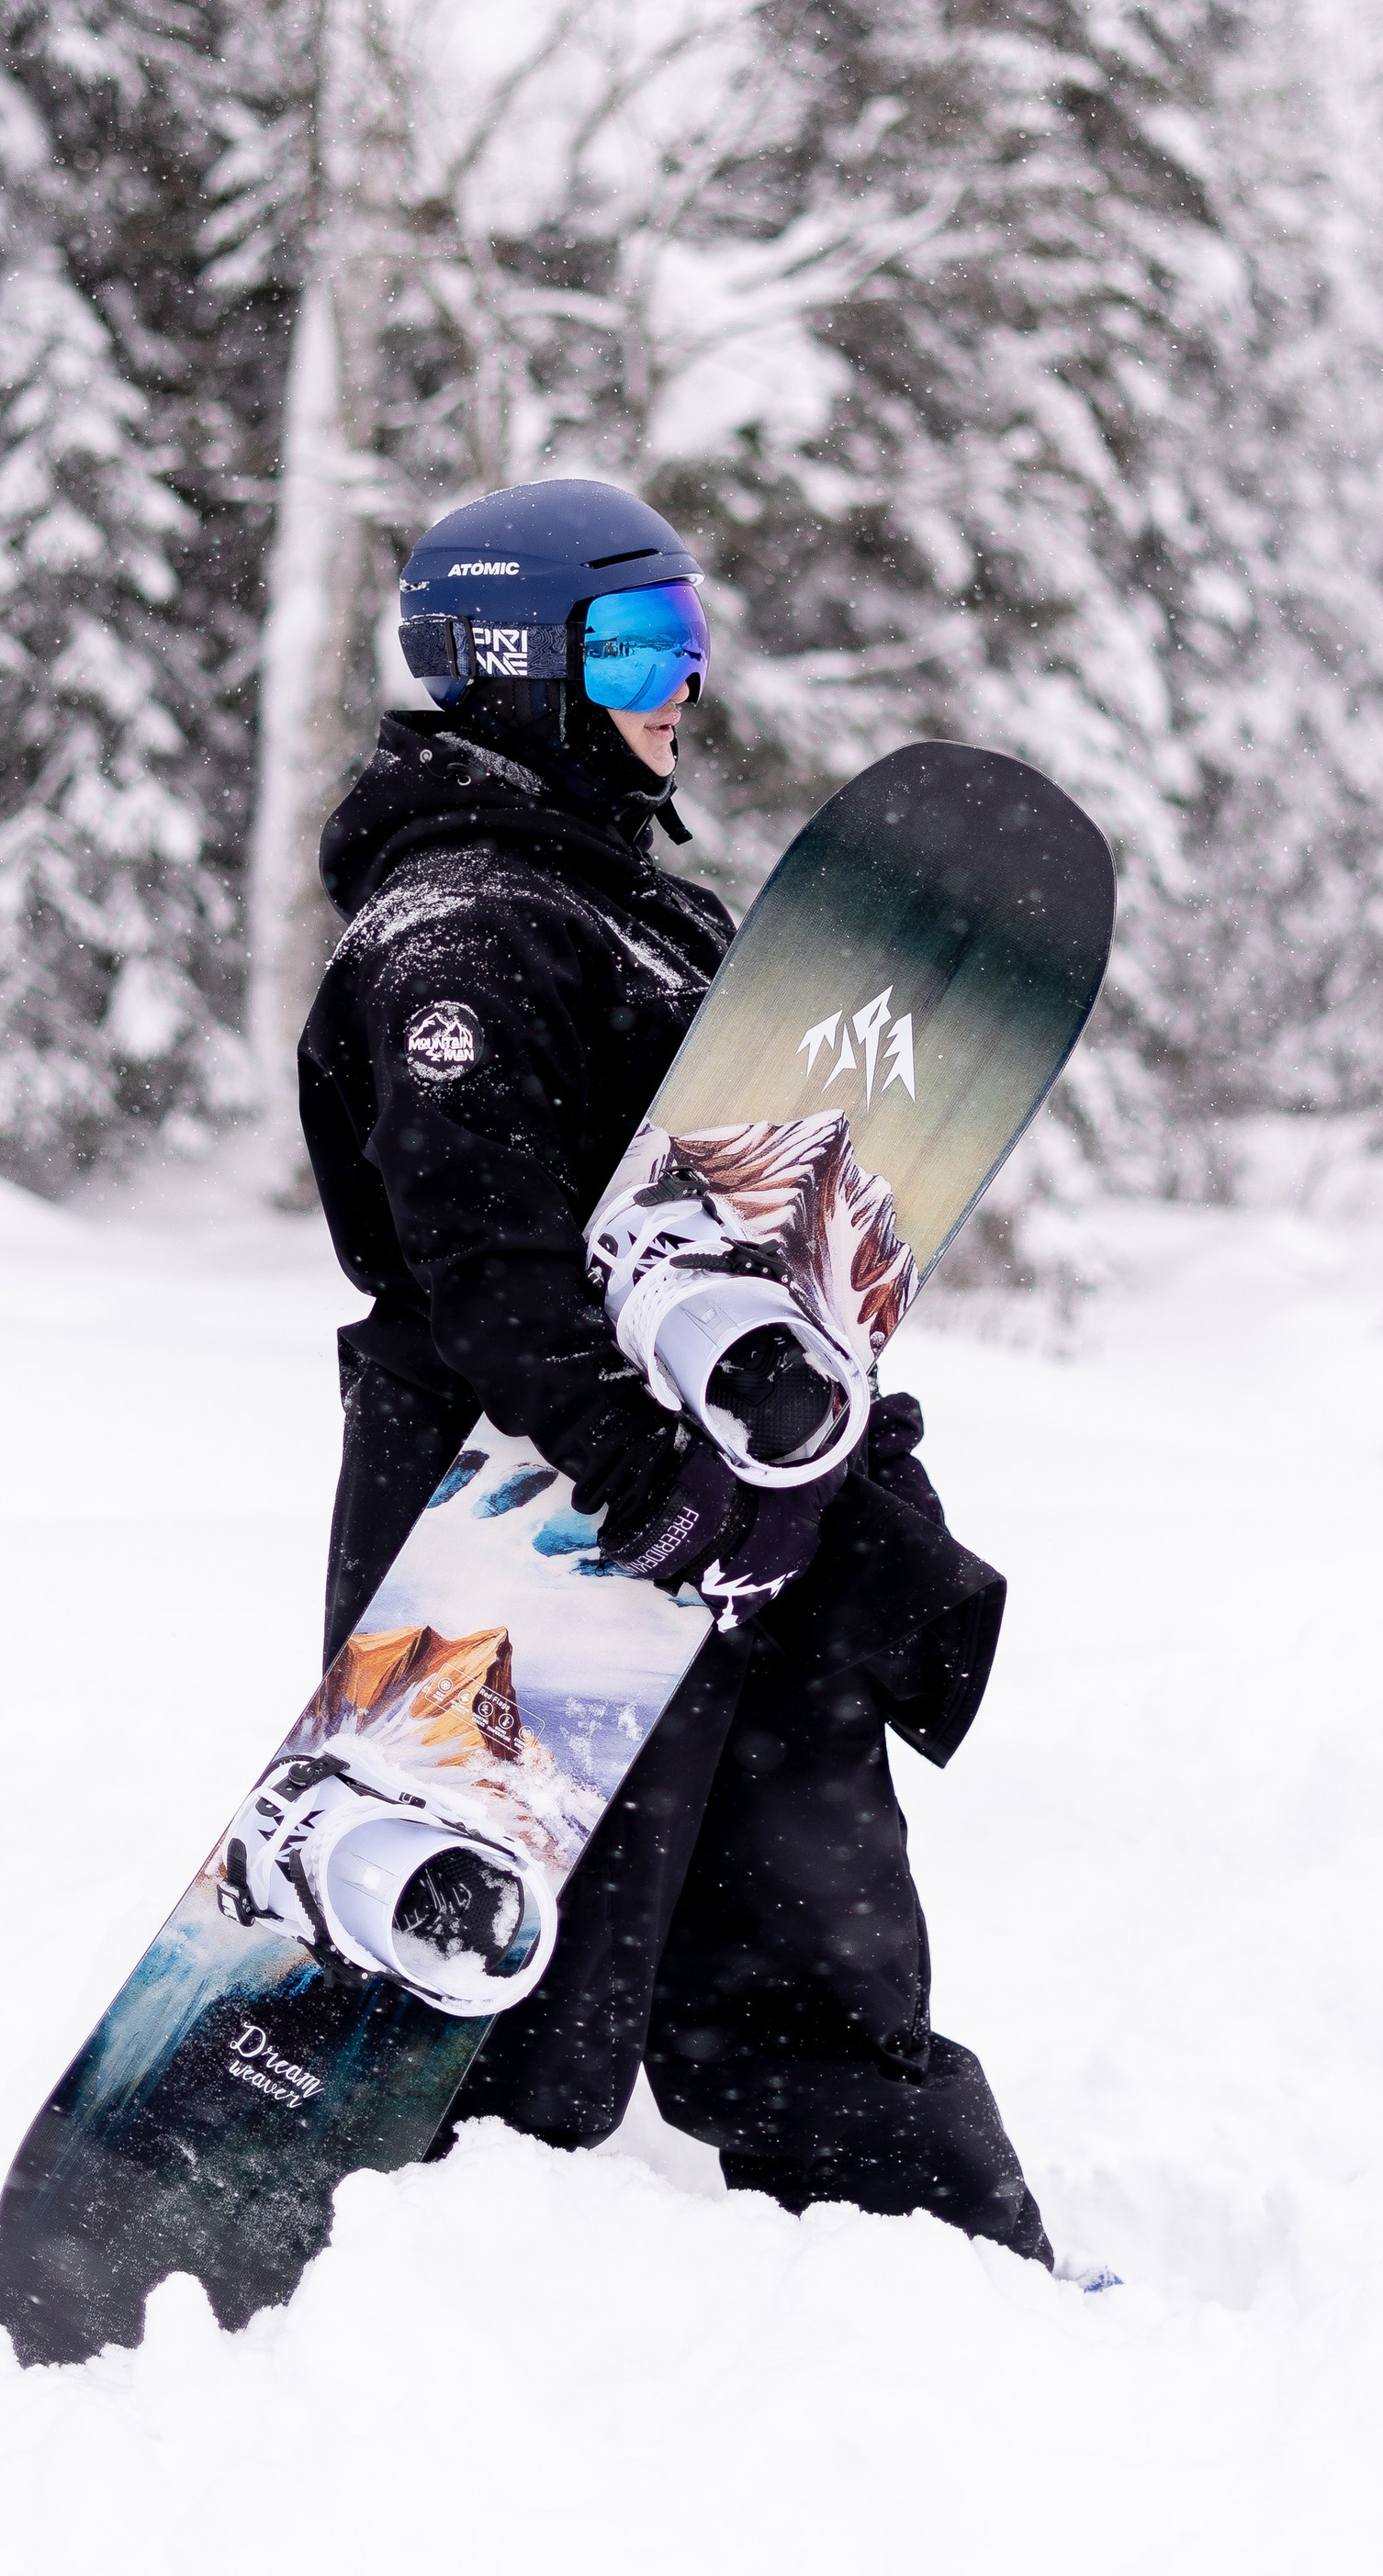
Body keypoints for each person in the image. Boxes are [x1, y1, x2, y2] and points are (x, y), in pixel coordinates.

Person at [296, 475, 1051, 2260]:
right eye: (635, 643)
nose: (681, 681)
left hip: (734, 1530)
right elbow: (481, 1261)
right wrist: (647, 1474)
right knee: (506, 1993)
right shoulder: (456, 933)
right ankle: (434, 2309)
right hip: (523, 1531)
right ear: (512, 664)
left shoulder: (642, 913)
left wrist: (801, 1455)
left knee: (811, 1938)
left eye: (688, 637)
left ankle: (936, 2274)